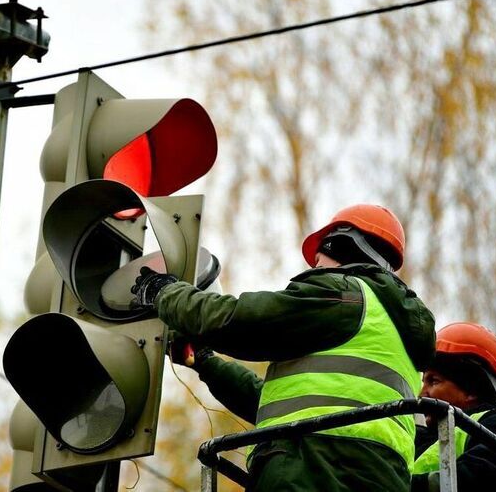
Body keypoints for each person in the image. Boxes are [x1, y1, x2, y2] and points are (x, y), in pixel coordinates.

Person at [132, 204, 436, 491]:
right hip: (376, 474)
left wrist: (165, 293)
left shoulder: (343, 294)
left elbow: (238, 322)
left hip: (316, 467)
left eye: (319, 261)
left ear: (343, 246)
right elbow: (276, 405)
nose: (316, 270)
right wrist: (204, 361)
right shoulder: (392, 329)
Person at [412, 322, 496, 491]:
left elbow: (479, 476)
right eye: (423, 381)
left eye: (433, 381)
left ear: (471, 390)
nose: (420, 394)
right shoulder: (414, 438)